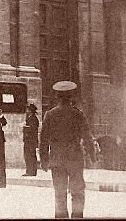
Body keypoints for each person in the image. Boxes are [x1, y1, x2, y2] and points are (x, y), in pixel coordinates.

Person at [40, 80, 96, 219]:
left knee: (60, 194)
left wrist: (44, 160)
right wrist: (92, 155)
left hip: (57, 159)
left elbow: (43, 140)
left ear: (57, 97)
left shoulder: (50, 115)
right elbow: (87, 137)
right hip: (75, 159)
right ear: (71, 97)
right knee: (77, 192)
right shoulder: (78, 114)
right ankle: (77, 217)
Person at [22, 103, 40, 176]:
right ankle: (30, 171)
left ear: (30, 110)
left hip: (31, 140)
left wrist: (25, 127)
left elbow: (32, 129)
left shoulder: (33, 118)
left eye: (27, 109)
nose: (26, 111)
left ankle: (31, 171)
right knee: (28, 155)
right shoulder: (30, 118)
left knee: (30, 155)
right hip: (29, 140)